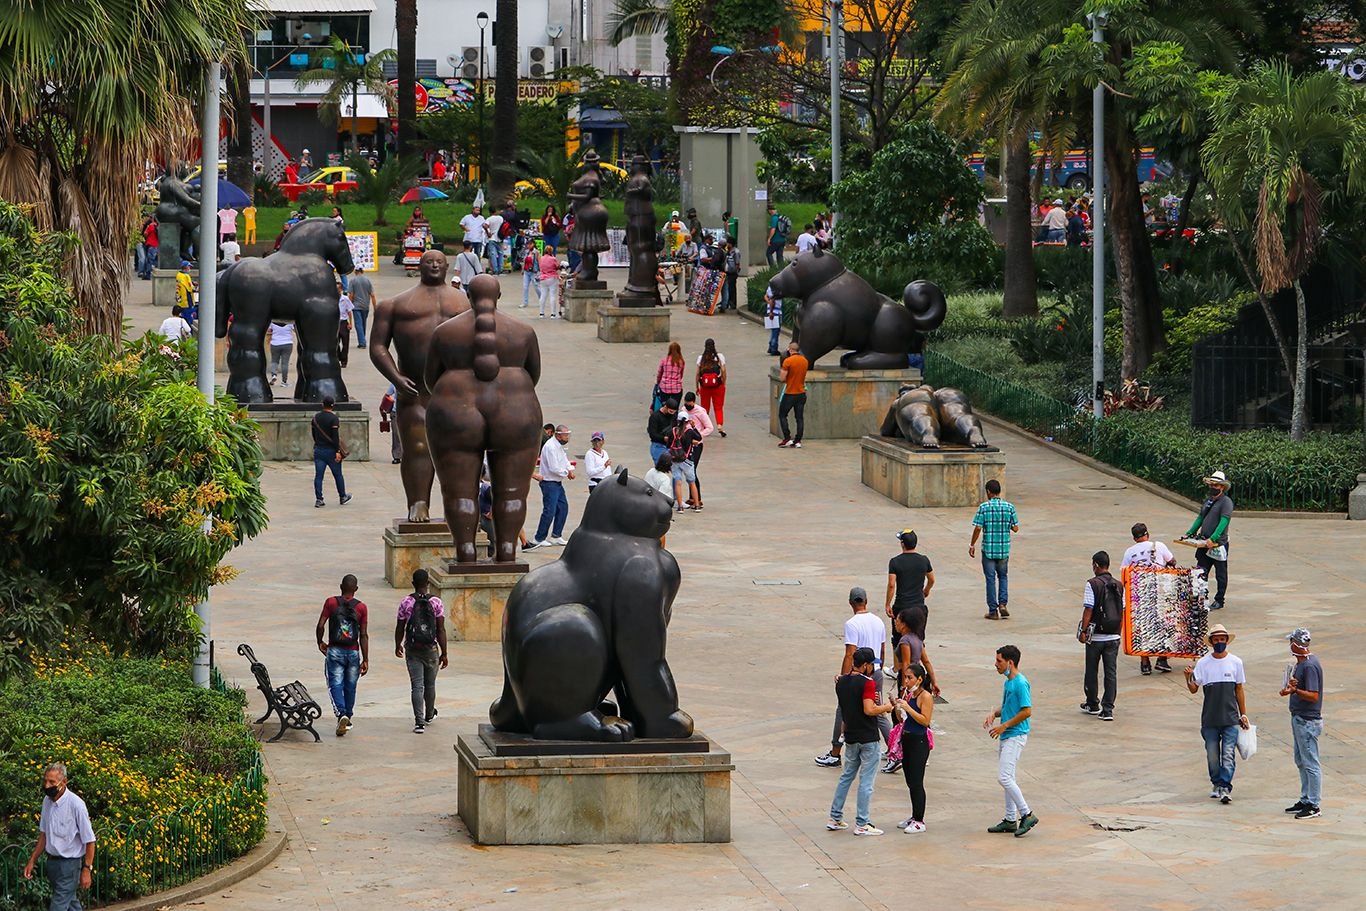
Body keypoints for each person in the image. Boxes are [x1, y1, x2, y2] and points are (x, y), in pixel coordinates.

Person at [825, 646, 896, 836]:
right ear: (864, 666)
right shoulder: (868, 683)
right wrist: (887, 707)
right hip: (868, 737)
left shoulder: (841, 682)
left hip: (851, 737)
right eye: (871, 665)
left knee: (846, 776)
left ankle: (835, 817)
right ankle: (862, 823)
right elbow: (869, 709)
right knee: (866, 781)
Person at [816, 588, 892, 768]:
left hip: (858, 674)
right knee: (878, 711)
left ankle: (835, 753)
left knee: (843, 709)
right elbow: (882, 649)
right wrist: (878, 669)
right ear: (866, 600)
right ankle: (897, 750)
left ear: (851, 603)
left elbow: (850, 653)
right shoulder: (878, 621)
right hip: (876, 671)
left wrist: (844, 677)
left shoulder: (852, 623)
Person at [1184, 623, 1249, 804]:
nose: (1220, 642)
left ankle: (1225, 786)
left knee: (1228, 754)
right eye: (1216, 639)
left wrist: (1243, 714)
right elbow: (1194, 688)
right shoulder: (1204, 663)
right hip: (1210, 718)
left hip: (1230, 718)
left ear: (1227, 640)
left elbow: (1239, 689)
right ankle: (1216, 782)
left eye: (1222, 639)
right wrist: (1187, 677)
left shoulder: (1236, 662)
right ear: (1211, 642)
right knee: (1212, 755)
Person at [22, 762, 96, 910]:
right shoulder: (47, 802)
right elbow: (44, 835)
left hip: (70, 865)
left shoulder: (76, 805)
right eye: (45, 781)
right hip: (53, 864)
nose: (47, 785)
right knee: (71, 904)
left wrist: (87, 869)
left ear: (64, 782)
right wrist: (32, 860)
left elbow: (90, 840)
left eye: (52, 782)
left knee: (58, 906)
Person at [984, 644, 1038, 836]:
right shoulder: (1009, 682)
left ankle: (1026, 813)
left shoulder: (1020, 683)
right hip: (1008, 734)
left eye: (999, 661)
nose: (995, 664)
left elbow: (1026, 711)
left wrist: (1004, 725)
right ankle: (1009, 818)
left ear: (1010, 662)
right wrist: (994, 714)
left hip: (1016, 735)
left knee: (1004, 777)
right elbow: (1009, 707)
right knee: (1009, 777)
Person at [395, 569, 448, 734]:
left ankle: (419, 723)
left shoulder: (406, 602)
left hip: (412, 649)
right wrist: (444, 652)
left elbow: (400, 626)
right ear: (428, 583)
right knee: (430, 684)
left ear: (413, 583)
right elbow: (441, 629)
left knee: (417, 685)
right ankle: (430, 714)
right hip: (430, 648)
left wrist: (398, 644)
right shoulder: (436, 602)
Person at [1121, 522, 1177, 674]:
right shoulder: (1158, 545)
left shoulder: (1129, 552)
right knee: (1164, 625)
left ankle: (1145, 663)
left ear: (1134, 538)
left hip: (1140, 596)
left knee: (1142, 627)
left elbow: (1124, 574)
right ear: (1148, 534)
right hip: (1159, 593)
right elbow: (1172, 561)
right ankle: (1162, 659)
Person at [1279, 627, 1323, 819]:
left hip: (1307, 720)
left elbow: (1314, 696)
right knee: (1301, 760)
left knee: (1310, 762)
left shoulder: (1309, 666)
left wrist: (1295, 692)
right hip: (1299, 718)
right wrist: (1292, 690)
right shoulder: (1302, 664)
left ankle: (1313, 803)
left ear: (1296, 644)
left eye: (1291, 642)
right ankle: (1305, 798)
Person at [316, 574, 368, 736]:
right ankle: (348, 717)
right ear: (356, 590)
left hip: (335, 650)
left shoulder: (331, 602)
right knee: (350, 686)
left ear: (340, 587)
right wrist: (365, 659)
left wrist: (320, 642)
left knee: (335, 684)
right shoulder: (361, 608)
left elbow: (320, 625)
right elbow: (364, 635)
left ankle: (341, 714)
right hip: (353, 651)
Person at [1180, 470, 1233, 612]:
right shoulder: (1208, 501)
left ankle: (1219, 600)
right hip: (1204, 543)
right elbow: (1200, 518)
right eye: (1211, 485)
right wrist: (1190, 532)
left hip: (1217, 544)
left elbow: (1223, 522)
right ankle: (1200, 597)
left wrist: (1213, 538)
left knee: (1220, 574)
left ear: (1222, 487)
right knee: (1201, 571)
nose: (1213, 487)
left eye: (1215, 485)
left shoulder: (1226, 503)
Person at [1078, 551, 1122, 721]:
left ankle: (1092, 703)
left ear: (1096, 565)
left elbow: (1088, 608)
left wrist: (1083, 630)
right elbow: (1122, 610)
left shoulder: (1092, 584)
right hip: (1113, 637)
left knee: (1092, 670)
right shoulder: (1119, 585)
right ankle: (1108, 709)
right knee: (1111, 673)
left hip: (1096, 637)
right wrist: (1119, 632)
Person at [885, 529, 933, 676]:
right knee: (918, 637)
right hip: (919, 605)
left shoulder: (895, 562)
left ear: (902, 544)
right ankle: (916, 667)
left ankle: (897, 668)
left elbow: (892, 584)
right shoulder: (924, 560)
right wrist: (926, 590)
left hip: (902, 605)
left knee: (898, 638)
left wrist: (888, 603)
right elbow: (931, 579)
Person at [969, 479, 1019, 620]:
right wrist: (1006, 524)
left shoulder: (984, 507)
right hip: (1003, 549)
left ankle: (993, 610)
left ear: (988, 492)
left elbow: (978, 528)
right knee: (1003, 576)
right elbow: (1015, 528)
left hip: (989, 549)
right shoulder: (1009, 507)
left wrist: (972, 544)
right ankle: (1003, 604)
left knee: (990, 579)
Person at [893, 663, 934, 835]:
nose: (907, 681)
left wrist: (908, 708)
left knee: (917, 781)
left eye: (910, 678)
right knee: (910, 780)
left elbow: (925, 720)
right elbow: (902, 719)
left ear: (919, 679)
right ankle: (914, 815)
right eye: (905, 677)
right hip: (907, 739)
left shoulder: (925, 697)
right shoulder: (908, 695)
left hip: (919, 742)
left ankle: (919, 819)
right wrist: (897, 707)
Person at [528, 424, 574, 549]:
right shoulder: (550, 447)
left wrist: (570, 469)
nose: (567, 438)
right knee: (549, 510)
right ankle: (539, 538)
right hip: (549, 483)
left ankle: (556, 535)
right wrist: (566, 473)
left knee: (563, 508)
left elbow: (564, 460)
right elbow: (554, 468)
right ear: (558, 435)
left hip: (557, 483)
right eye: (565, 435)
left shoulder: (558, 446)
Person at [311, 396, 352, 508]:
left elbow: (314, 435)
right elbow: (335, 437)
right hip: (331, 451)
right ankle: (342, 496)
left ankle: (319, 499)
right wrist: (338, 451)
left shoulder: (315, 418)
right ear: (332, 405)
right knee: (338, 475)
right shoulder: (334, 419)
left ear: (322, 404)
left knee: (319, 476)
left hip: (319, 450)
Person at [665, 411, 702, 512]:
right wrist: (694, 427)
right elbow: (699, 437)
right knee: (692, 482)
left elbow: (668, 444)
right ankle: (697, 505)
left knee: (678, 482)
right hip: (687, 460)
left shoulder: (672, 431)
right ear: (687, 421)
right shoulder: (689, 432)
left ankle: (680, 506)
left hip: (674, 460)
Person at [777, 341, 808, 448]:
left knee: (782, 415)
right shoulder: (804, 361)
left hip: (790, 393)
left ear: (790, 350)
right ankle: (798, 440)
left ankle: (787, 438)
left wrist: (782, 369)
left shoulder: (787, 361)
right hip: (801, 393)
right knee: (799, 418)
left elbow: (782, 378)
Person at [695, 338, 727, 436]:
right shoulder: (719, 357)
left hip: (704, 387)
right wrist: (723, 383)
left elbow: (697, 374)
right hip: (718, 386)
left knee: (705, 408)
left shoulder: (701, 358)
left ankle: (705, 426)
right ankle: (720, 426)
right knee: (718, 407)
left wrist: (697, 387)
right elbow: (724, 371)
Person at [655, 341, 686, 409]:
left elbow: (659, 373)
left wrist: (658, 382)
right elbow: (681, 375)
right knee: (675, 408)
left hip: (665, 388)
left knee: (665, 407)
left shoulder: (664, 360)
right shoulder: (681, 362)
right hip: (676, 388)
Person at [348, 266, 373, 348]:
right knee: (363, 324)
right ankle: (362, 340)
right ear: (362, 271)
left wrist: (348, 305)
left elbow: (351, 295)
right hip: (365, 306)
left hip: (356, 306)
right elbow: (372, 295)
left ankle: (362, 343)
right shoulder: (368, 280)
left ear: (355, 272)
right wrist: (375, 307)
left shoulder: (352, 281)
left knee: (358, 325)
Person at [648, 397, 678, 465]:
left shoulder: (674, 416)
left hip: (670, 446)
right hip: (658, 446)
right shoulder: (655, 417)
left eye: (674, 412)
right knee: (660, 468)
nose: (672, 414)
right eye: (670, 411)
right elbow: (652, 434)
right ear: (665, 407)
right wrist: (663, 438)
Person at [267, 320, 294, 387]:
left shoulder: (273, 322)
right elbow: (295, 330)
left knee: (274, 361)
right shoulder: (290, 322)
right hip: (287, 343)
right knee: (285, 363)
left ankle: (274, 375)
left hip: (275, 343)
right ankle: (284, 382)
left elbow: (269, 330)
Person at [336, 281, 354, 368]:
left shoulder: (345, 299)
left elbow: (350, 311)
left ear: (341, 289)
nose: (337, 291)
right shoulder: (332, 299)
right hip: (335, 323)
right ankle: (338, 357)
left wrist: (350, 323)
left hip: (343, 322)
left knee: (345, 343)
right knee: (335, 343)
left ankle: (344, 361)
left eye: (338, 289)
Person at [537, 247, 559, 318]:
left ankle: (541, 313)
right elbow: (557, 266)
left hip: (543, 278)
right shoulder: (553, 259)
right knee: (552, 295)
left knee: (543, 295)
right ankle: (553, 313)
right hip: (552, 277)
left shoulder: (541, 258)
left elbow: (540, 267)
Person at [763, 284, 783, 356]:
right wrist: (771, 312)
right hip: (776, 312)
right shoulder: (777, 289)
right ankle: (774, 348)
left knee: (773, 330)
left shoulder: (769, 287)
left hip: (769, 311)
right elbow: (773, 301)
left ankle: (770, 347)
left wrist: (768, 302)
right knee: (776, 331)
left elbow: (765, 296)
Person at [485, 207, 505, 274]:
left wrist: (488, 232)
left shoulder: (489, 219)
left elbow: (485, 226)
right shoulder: (500, 218)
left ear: (490, 212)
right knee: (500, 254)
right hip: (500, 238)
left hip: (492, 238)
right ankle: (501, 269)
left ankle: (495, 269)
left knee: (493, 254)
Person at [138, 215, 158, 279]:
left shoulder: (151, 225)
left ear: (152, 219)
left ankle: (147, 274)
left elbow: (145, 233)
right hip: (157, 245)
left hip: (150, 244)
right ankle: (153, 272)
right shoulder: (159, 226)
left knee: (149, 260)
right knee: (154, 260)